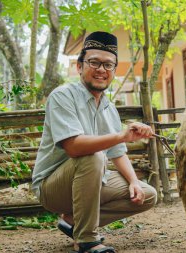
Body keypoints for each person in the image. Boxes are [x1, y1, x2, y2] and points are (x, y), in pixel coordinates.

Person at [32, 31, 157, 253]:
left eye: (108, 65)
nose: (101, 69)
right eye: (94, 62)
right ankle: (87, 240)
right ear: (80, 66)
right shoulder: (63, 96)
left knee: (146, 195)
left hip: (88, 181)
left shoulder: (109, 107)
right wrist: (121, 135)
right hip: (52, 187)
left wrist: (133, 181)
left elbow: (117, 152)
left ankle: (73, 221)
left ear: (114, 71)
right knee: (93, 156)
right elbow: (74, 147)